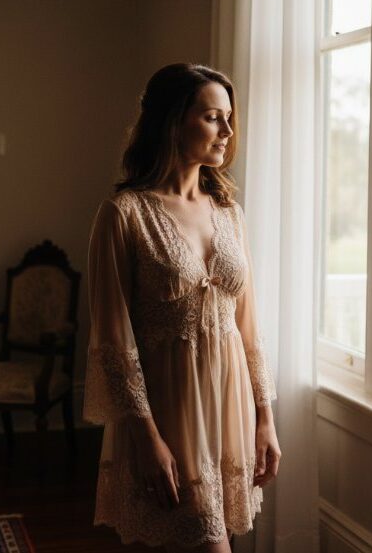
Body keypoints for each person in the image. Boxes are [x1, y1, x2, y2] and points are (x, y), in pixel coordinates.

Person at [83, 63, 281, 553]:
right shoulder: (124, 214)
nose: (228, 131)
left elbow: (248, 328)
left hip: (228, 408)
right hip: (167, 414)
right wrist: (146, 437)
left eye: (229, 118)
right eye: (214, 117)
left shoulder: (229, 213)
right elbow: (113, 341)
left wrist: (264, 416)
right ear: (174, 121)